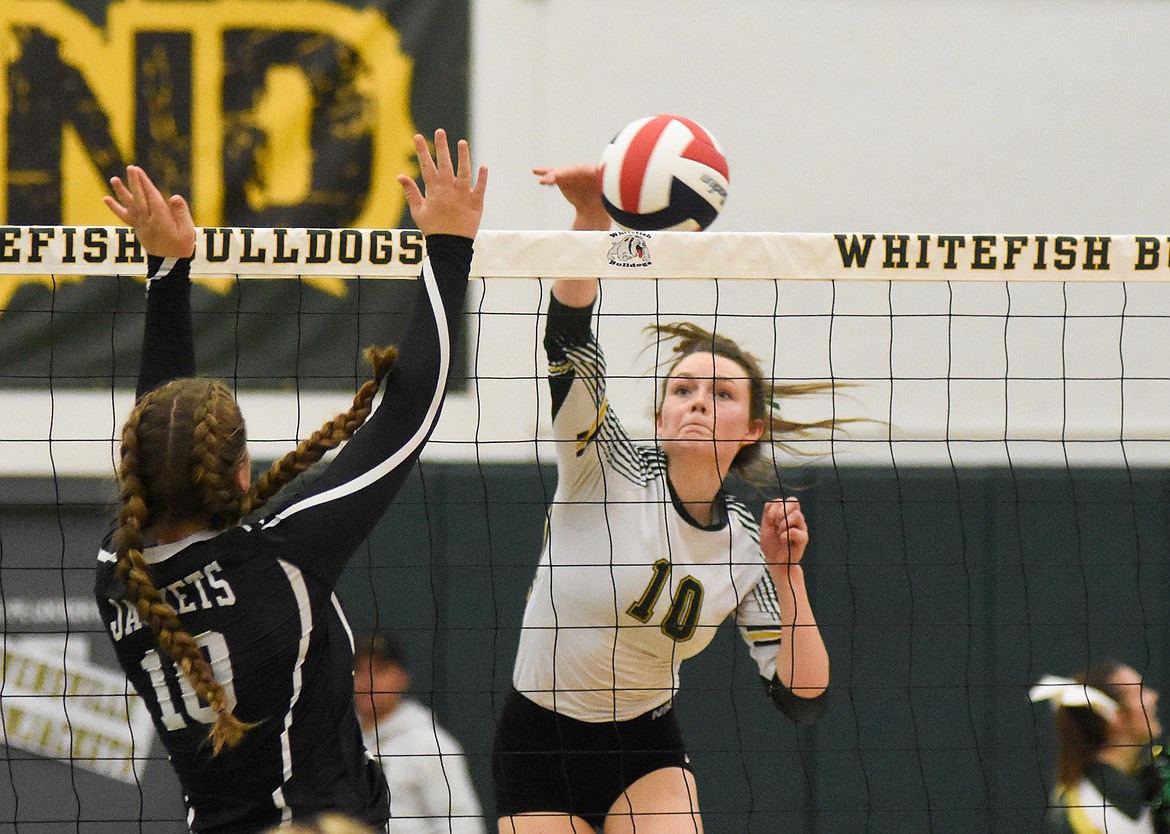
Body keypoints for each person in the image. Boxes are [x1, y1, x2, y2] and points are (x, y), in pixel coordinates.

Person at [93, 130, 487, 833]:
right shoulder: (279, 564)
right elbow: (413, 407)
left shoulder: (118, 570)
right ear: (241, 474)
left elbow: (166, 433)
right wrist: (451, 245)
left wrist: (167, 270)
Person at [492, 165, 833, 834]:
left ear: (753, 429)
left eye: (722, 393)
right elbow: (568, 339)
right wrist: (591, 224)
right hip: (540, 741)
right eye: (682, 389)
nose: (699, 400)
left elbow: (803, 698)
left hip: (644, 750)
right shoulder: (604, 462)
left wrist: (788, 578)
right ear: (659, 414)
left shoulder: (744, 543)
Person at [353, 632, 487, 834]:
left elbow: (463, 826)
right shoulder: (336, 743)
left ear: (402, 679)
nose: (367, 681)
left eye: (379, 671)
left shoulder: (431, 744)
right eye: (359, 671)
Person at [1031, 662, 1168, 834]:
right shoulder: (1095, 797)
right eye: (1140, 692)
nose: (1153, 697)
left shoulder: (1149, 775)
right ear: (1116, 717)